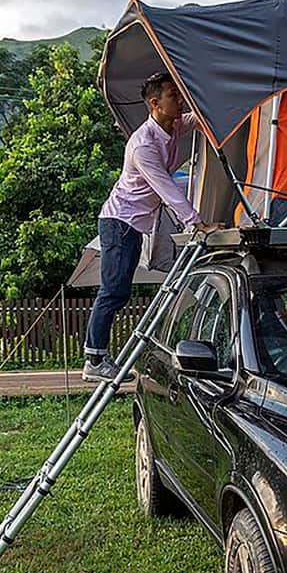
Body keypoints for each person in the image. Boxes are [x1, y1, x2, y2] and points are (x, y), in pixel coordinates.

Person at [83, 71, 222, 382]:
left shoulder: (170, 127)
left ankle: (98, 354)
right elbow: (167, 188)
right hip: (120, 222)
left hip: (138, 222)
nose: (180, 100)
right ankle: (95, 358)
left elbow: (194, 119)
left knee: (126, 287)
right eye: (174, 96)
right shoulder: (143, 144)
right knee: (114, 290)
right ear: (155, 104)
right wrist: (197, 223)